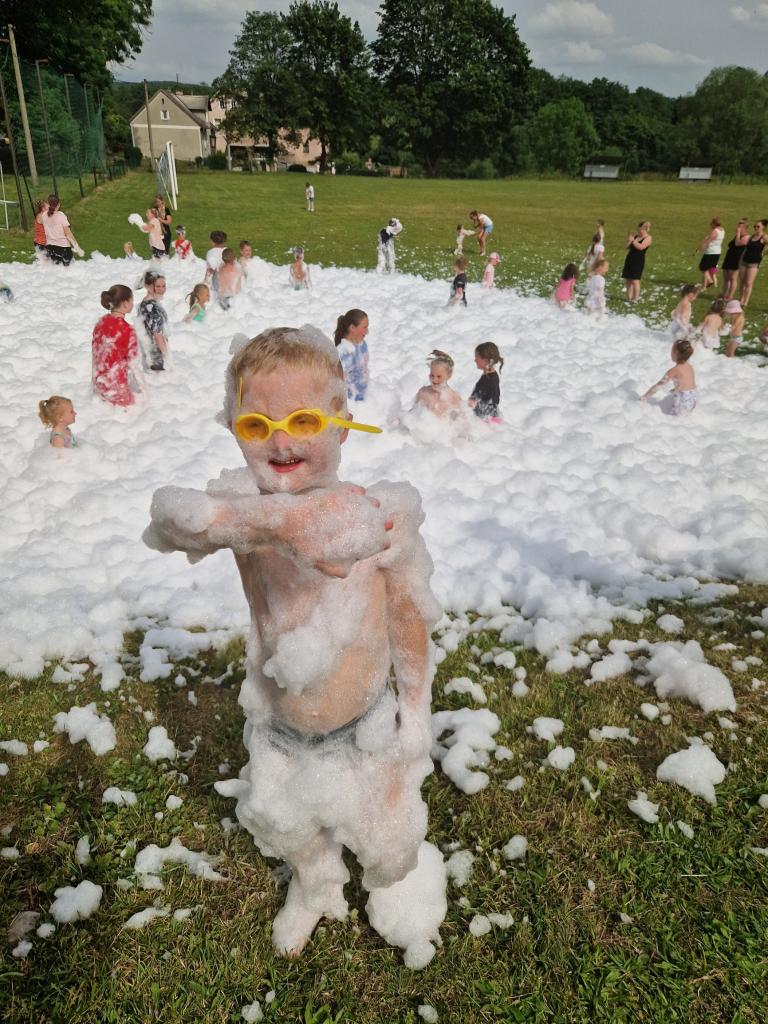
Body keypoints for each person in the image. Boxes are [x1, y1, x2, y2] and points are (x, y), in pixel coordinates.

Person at [144, 326, 446, 965]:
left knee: (390, 846)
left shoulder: (381, 517)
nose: (281, 443)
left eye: (304, 421)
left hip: (367, 728)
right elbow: (172, 520)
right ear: (233, 429)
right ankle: (316, 884)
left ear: (343, 422)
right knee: (289, 828)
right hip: (279, 731)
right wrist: (285, 523)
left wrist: (416, 710)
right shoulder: (240, 506)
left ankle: (397, 886)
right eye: (257, 426)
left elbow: (408, 619)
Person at [92, 285, 140, 407]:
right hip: (118, 388)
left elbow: (95, 355)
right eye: (132, 301)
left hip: (99, 384)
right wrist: (145, 391)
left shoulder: (100, 323)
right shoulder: (128, 330)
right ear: (125, 303)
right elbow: (134, 365)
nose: (132, 304)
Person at [641, 339, 697, 416]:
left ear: (676, 353)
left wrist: (644, 397)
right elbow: (688, 383)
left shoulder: (674, 370)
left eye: (672, 351)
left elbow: (658, 386)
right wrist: (676, 389)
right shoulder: (689, 367)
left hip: (682, 401)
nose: (670, 353)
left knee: (674, 418)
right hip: (693, 398)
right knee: (684, 418)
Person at [414, 351, 463, 419]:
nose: (434, 380)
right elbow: (411, 416)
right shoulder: (423, 392)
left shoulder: (454, 398)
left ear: (449, 375)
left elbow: (461, 421)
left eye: (439, 376)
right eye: (432, 375)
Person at [334, 308, 369, 402]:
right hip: (351, 401)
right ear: (352, 328)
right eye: (364, 327)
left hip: (363, 395)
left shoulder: (362, 345)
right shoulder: (343, 352)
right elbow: (337, 381)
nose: (367, 331)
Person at [138, 270, 169, 372]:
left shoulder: (145, 303)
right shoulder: (152, 307)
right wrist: (168, 358)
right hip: (157, 359)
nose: (162, 290)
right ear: (147, 286)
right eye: (158, 286)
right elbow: (157, 335)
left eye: (163, 286)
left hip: (149, 354)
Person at [42, 195, 84, 266]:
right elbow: (68, 234)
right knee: (68, 270)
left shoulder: (44, 215)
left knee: (56, 270)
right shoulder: (61, 216)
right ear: (58, 205)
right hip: (63, 249)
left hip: (50, 248)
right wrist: (77, 248)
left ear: (48, 204)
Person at [469, 342, 503, 421]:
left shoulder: (487, 380)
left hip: (486, 420)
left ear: (486, 360)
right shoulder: (492, 376)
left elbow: (472, 402)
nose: (475, 360)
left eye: (477, 357)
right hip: (492, 417)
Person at [738, 218, 768, 308]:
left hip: (754, 264)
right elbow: (746, 248)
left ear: (763, 227)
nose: (755, 228)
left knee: (748, 283)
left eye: (758, 226)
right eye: (755, 226)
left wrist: (763, 254)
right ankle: (741, 299)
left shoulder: (764, 237)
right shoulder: (752, 236)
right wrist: (741, 259)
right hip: (744, 261)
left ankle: (745, 302)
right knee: (742, 282)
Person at [622, 221, 652, 303]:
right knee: (628, 279)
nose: (638, 231)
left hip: (638, 260)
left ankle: (635, 298)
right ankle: (629, 297)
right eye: (637, 230)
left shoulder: (648, 238)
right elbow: (626, 248)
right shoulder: (636, 236)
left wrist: (633, 241)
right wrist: (629, 241)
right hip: (630, 258)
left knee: (635, 280)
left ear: (644, 229)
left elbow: (641, 247)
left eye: (639, 230)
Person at [721, 218, 750, 300]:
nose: (738, 228)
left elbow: (737, 243)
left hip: (736, 259)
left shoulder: (747, 237)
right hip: (729, 257)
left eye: (740, 226)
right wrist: (738, 234)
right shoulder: (737, 235)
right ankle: (724, 295)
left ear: (745, 227)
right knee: (726, 278)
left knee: (732, 278)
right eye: (738, 226)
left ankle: (730, 296)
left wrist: (738, 234)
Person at [695, 217, 725, 290]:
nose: (710, 225)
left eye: (711, 224)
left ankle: (710, 281)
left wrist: (699, 249)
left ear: (714, 224)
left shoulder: (715, 231)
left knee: (703, 267)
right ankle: (704, 286)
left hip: (710, 252)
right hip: (717, 252)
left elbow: (708, 241)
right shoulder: (722, 230)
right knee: (707, 269)